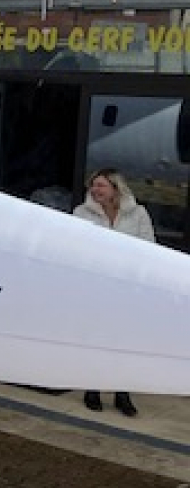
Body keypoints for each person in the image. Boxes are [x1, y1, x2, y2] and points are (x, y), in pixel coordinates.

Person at [72, 167, 157, 416]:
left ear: (115, 188)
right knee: (97, 338)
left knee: (124, 342)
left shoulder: (138, 213)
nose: (95, 190)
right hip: (96, 287)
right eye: (93, 185)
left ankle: (122, 394)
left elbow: (148, 248)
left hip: (127, 288)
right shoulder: (81, 213)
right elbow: (75, 247)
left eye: (101, 185)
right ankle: (92, 389)